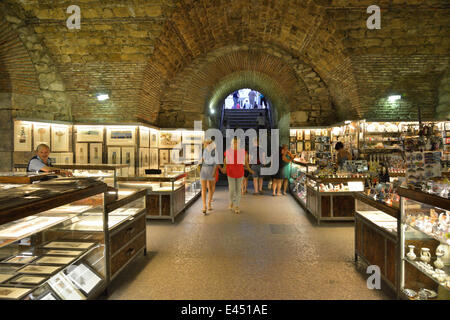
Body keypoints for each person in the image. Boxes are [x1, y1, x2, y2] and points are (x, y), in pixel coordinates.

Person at [221, 137, 254, 214]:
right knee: (232, 189)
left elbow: (246, 162)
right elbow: (225, 160)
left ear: (239, 143)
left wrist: (249, 169)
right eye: (234, 142)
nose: (236, 144)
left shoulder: (243, 152)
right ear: (232, 143)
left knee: (238, 189)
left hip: (240, 172)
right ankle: (231, 202)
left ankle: (237, 206)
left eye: (237, 142)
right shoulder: (228, 151)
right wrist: (224, 167)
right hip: (230, 172)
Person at [200, 140, 219, 214]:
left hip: (211, 170)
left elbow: (216, 163)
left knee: (210, 188)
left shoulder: (215, 151)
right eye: (206, 143)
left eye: (209, 143)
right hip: (203, 170)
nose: (208, 144)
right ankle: (204, 206)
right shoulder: (203, 151)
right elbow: (200, 160)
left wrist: (214, 172)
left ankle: (209, 203)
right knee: (204, 188)